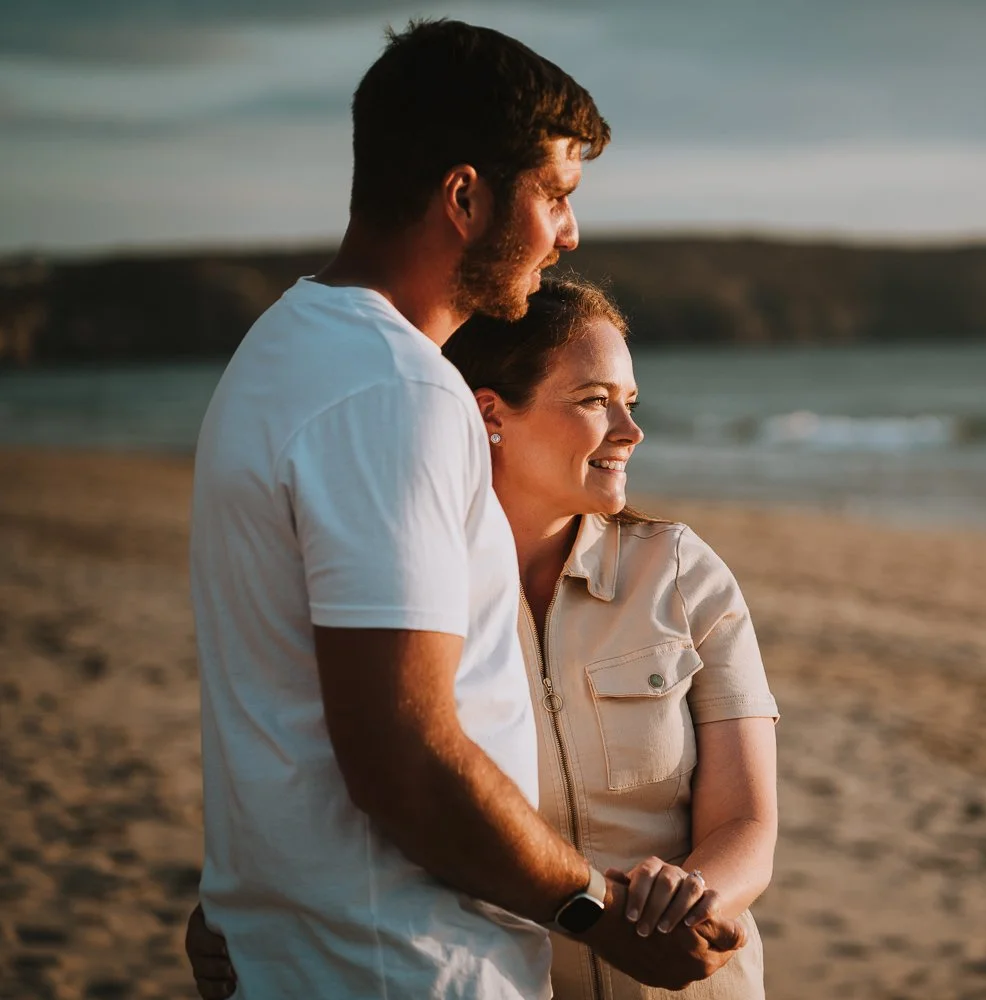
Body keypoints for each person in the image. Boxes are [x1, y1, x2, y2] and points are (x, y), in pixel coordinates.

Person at [188, 20, 743, 999]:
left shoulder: (277, 352)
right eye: (557, 196)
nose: (570, 235)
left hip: (310, 947)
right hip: (397, 965)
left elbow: (285, 700)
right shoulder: (395, 388)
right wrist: (596, 913)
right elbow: (404, 753)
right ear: (465, 195)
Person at [190, 277, 779, 999]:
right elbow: (342, 778)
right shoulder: (407, 592)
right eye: (595, 401)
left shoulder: (683, 573)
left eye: (631, 402)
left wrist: (691, 902)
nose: (631, 431)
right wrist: (258, 911)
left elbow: (749, 821)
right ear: (490, 413)